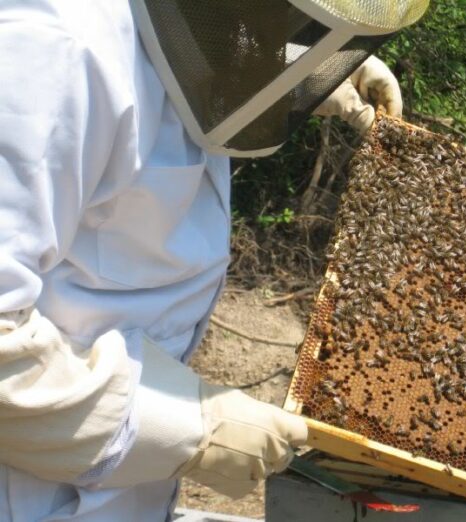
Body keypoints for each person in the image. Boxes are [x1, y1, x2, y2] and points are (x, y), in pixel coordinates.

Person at [0, 1, 428, 520]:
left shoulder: (196, 35)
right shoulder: (47, 53)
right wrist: (188, 429)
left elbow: (212, 44)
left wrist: (308, 63)